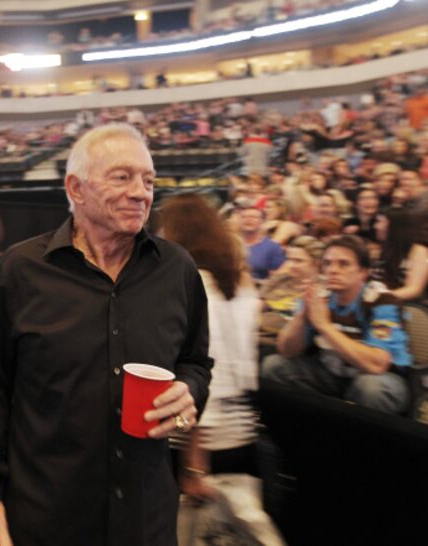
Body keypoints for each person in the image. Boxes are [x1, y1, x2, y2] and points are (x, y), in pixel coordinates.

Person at [0, 123, 213, 546]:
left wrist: (189, 390)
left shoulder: (178, 270)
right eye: (122, 177)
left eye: (149, 180)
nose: (141, 192)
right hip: (47, 517)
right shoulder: (20, 272)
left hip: (146, 519)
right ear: (75, 188)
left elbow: (196, 363)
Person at [159, 194, 285, 546]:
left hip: (203, 444)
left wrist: (194, 464)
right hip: (241, 433)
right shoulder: (238, 283)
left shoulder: (195, 286)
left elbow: (205, 376)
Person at [262, 236, 412, 414]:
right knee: (274, 366)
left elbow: (377, 365)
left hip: (379, 379)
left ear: (363, 272)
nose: (333, 270)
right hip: (329, 374)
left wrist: (324, 326)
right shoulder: (319, 297)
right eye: (327, 263)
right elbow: (286, 350)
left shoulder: (382, 301)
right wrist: (303, 316)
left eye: (343, 264)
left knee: (371, 388)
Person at [373, 210, 428, 301]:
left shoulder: (420, 252)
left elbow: (414, 290)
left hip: (408, 307)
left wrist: (380, 297)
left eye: (380, 221)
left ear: (394, 226)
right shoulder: (379, 251)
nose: (376, 226)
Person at [239, 206, 286, 281]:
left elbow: (278, 279)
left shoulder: (272, 248)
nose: (248, 219)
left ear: (262, 221)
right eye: (244, 217)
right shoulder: (231, 245)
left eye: (253, 217)